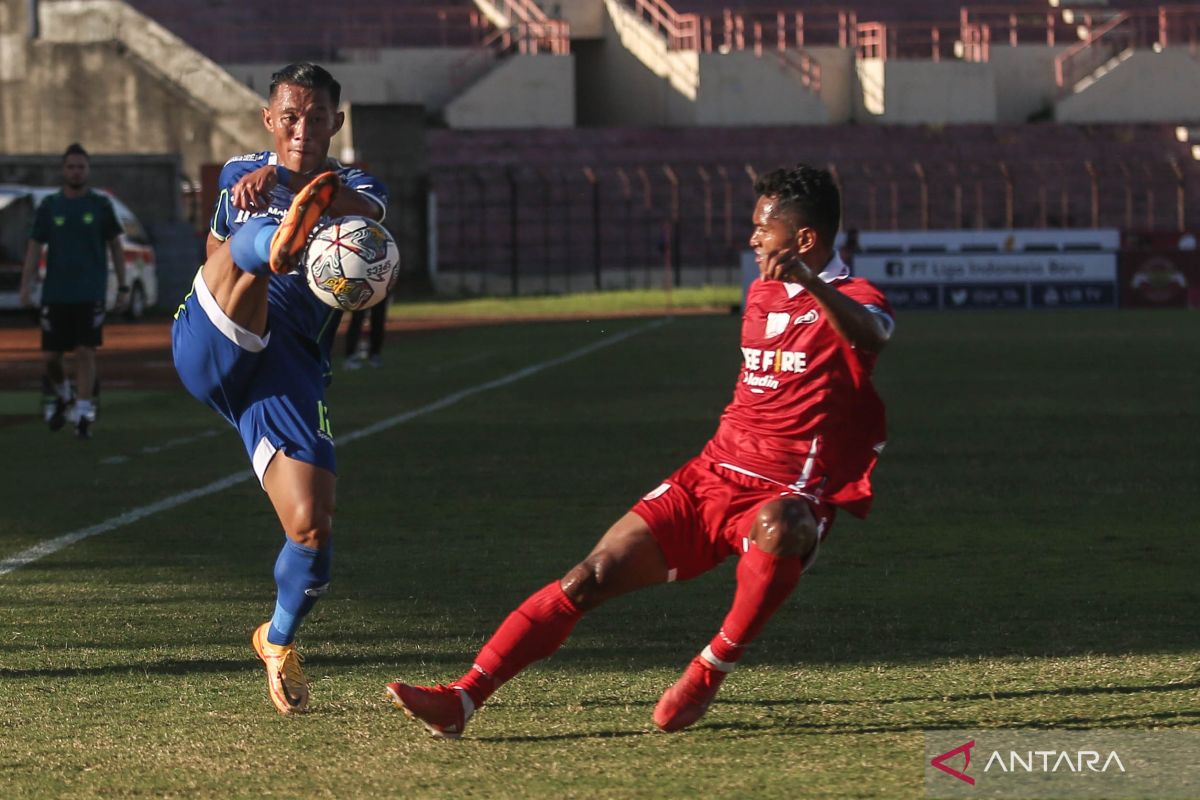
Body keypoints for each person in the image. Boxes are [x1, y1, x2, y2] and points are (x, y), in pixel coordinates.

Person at [386, 164, 895, 737]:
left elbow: (873, 334)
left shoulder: (852, 296)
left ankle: (709, 670)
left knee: (784, 525)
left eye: (763, 229)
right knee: (590, 575)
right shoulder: (759, 291)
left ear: (804, 239)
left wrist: (811, 282)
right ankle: (463, 698)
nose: (752, 238)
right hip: (710, 476)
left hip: (787, 490)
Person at [171, 62, 388, 715]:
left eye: (315, 117)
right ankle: (278, 245)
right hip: (214, 332)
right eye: (289, 117)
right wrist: (272, 213)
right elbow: (211, 251)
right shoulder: (242, 173)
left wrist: (299, 189)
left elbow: (368, 210)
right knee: (243, 247)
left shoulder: (355, 183)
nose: (301, 128)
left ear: (335, 123)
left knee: (312, 532)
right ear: (270, 119)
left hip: (288, 367)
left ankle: (277, 639)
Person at [20, 143, 128, 439]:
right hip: (55, 292)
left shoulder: (100, 205)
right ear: (63, 170)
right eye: (71, 167)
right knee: (50, 357)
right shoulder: (50, 206)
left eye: (80, 167)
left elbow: (116, 246)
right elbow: (33, 247)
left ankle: (82, 413)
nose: (76, 172)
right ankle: (63, 392)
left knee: (84, 350)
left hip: (89, 291)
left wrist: (122, 285)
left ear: (88, 170)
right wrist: (26, 285)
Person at [343, 296, 388, 369]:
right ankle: (351, 356)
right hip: (362, 288)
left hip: (380, 288)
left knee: (378, 319)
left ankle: (375, 355)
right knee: (357, 319)